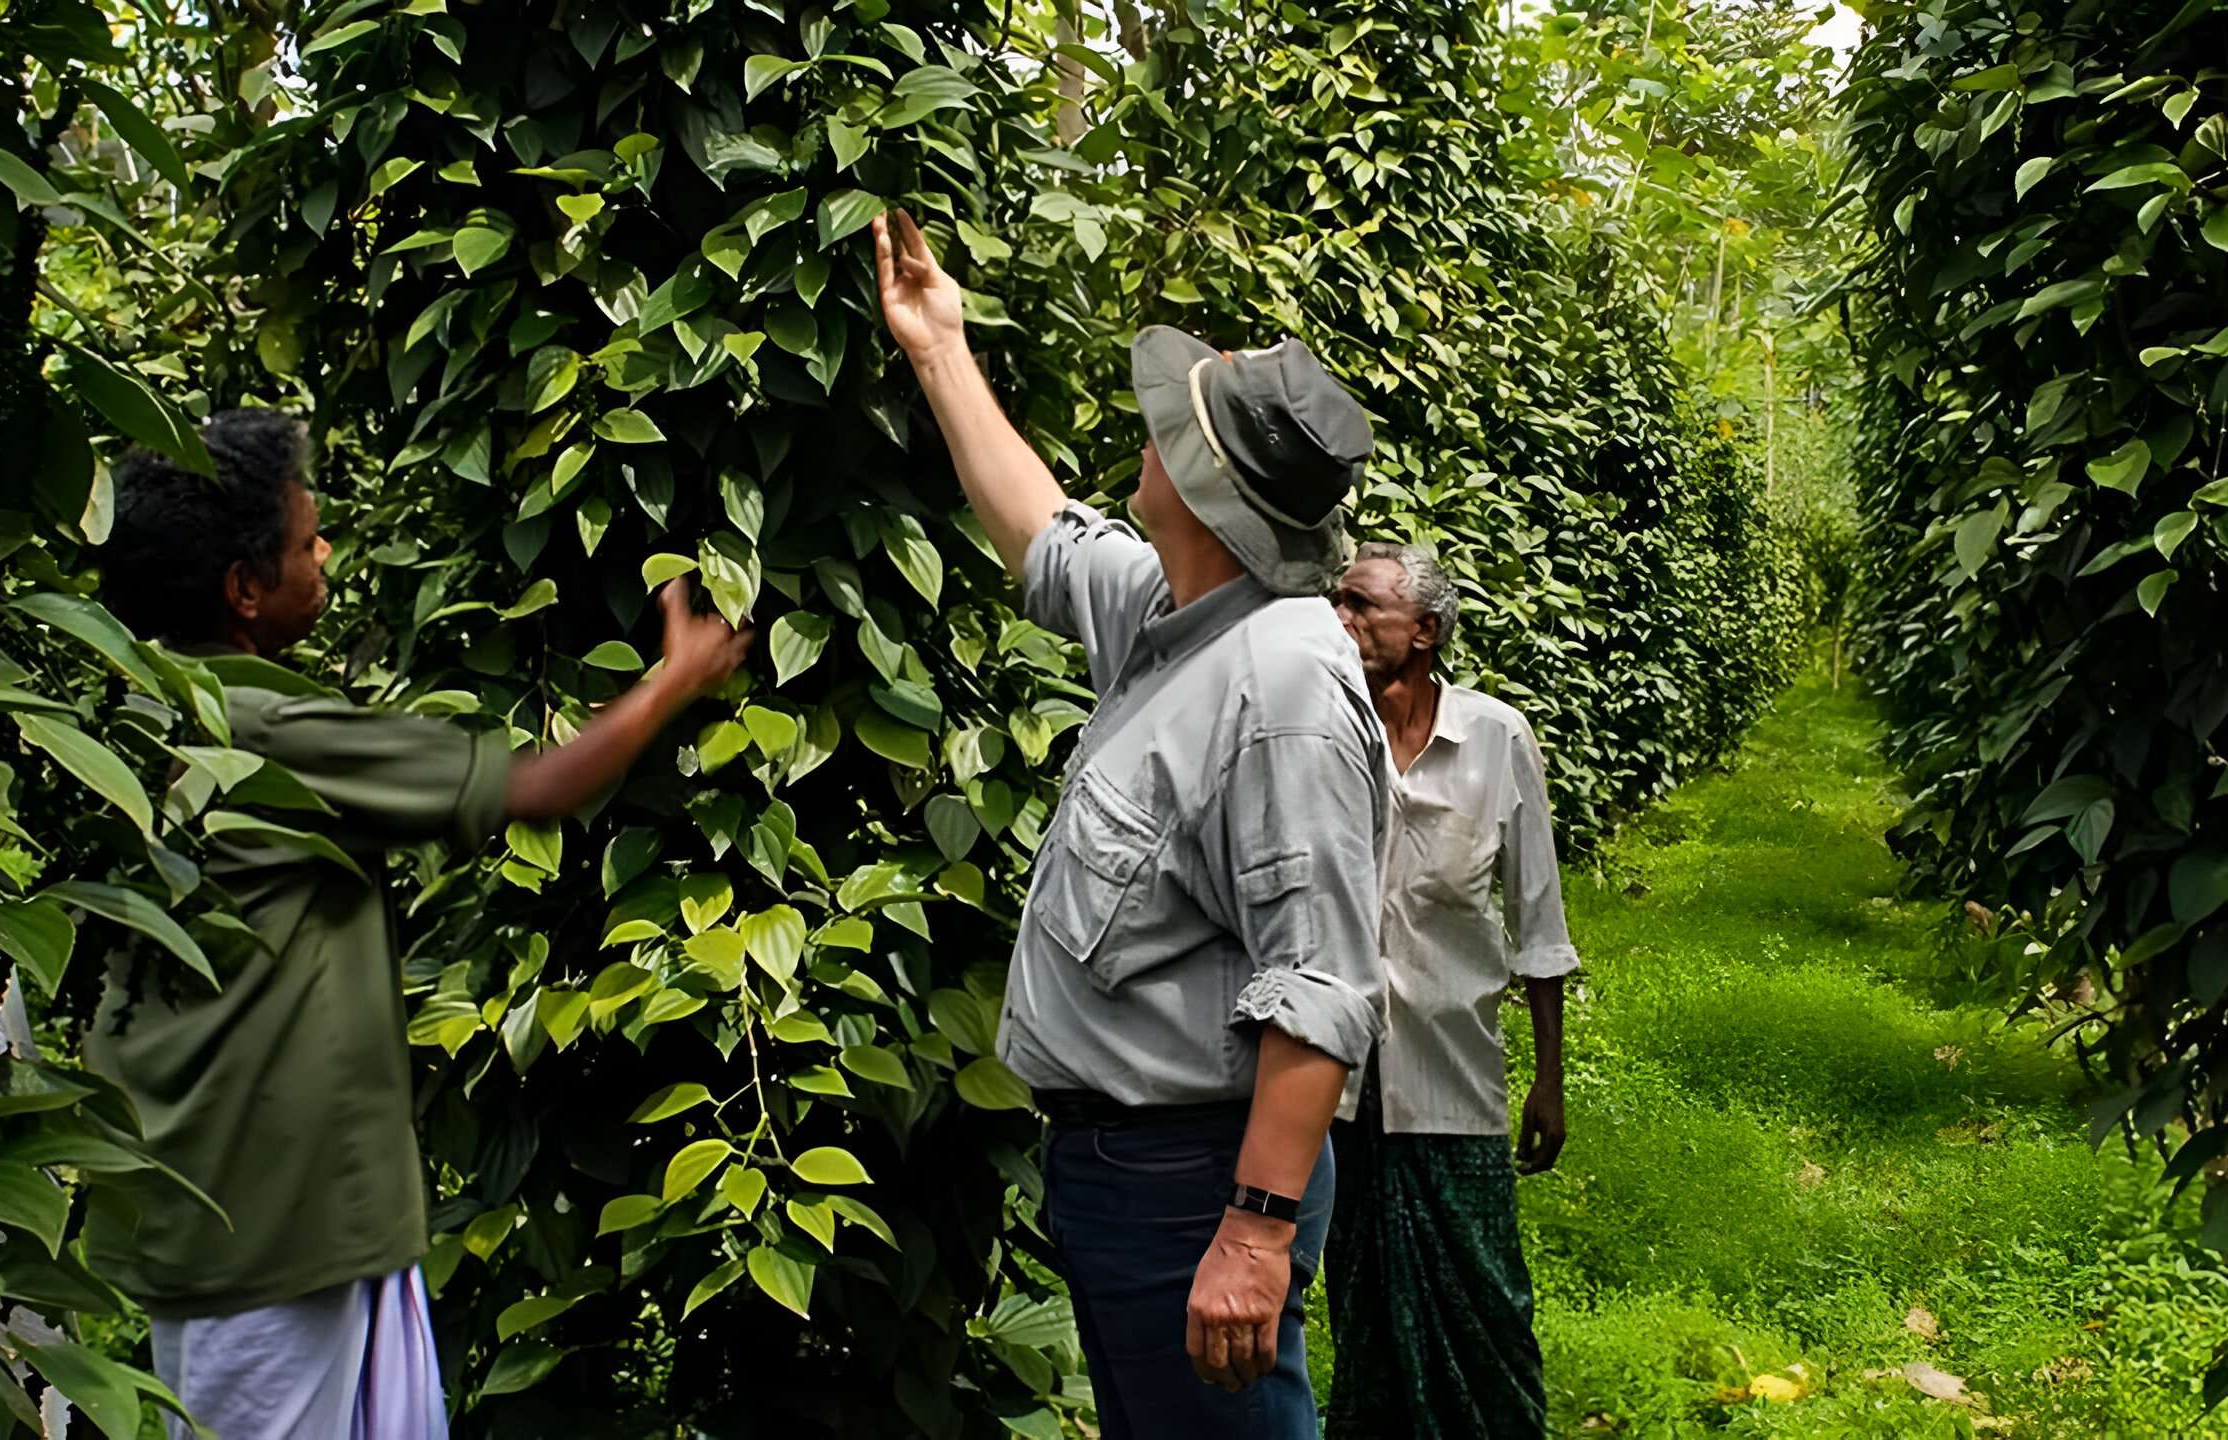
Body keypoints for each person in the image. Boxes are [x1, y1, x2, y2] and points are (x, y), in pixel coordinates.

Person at [81, 408, 750, 1440]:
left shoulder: (132, 714)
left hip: (226, 1201)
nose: (327, 553)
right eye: (308, 542)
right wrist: (674, 679)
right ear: (243, 589)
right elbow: (534, 786)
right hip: (276, 1231)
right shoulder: (262, 730)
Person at [873, 210, 1388, 1437]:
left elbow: (1318, 983)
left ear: (1208, 493)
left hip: (1194, 1179)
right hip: (1122, 1171)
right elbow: (1042, 537)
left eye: (1176, 433)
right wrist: (938, 346)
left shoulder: (1281, 691)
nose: (1149, 437)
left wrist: (1254, 1236)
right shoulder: (1181, 608)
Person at [1323, 542, 1578, 1439]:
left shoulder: (1495, 739)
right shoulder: (1320, 733)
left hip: (1456, 1081)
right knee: (1360, 1308)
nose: (1341, 617)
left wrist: (1547, 1079)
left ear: (1424, 631)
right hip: (1340, 1085)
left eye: (1362, 604)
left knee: (1486, 1305)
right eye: (1338, 601)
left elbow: (1537, 921)